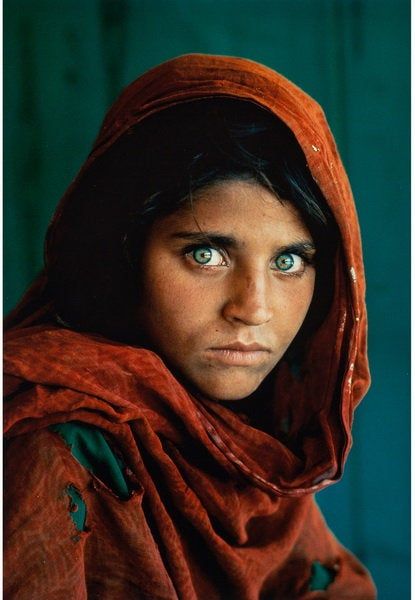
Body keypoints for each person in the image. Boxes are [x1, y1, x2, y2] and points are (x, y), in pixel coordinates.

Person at [4, 54, 376, 599]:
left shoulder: (255, 446)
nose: (254, 308)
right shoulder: (51, 445)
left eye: (290, 261)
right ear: (123, 253)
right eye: (206, 254)